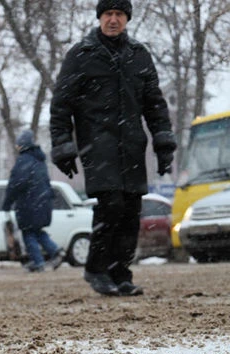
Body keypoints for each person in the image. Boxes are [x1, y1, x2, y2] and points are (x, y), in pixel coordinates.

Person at [50, 0, 176, 296]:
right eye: (108, 14)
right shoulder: (81, 55)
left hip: (132, 146)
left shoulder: (139, 55)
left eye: (119, 14)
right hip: (98, 146)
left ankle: (121, 274)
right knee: (111, 206)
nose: (113, 19)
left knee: (132, 210)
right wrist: (63, 146)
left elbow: (155, 104)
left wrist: (164, 143)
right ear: (99, 18)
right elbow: (61, 105)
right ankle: (97, 269)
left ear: (127, 18)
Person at [3, 129, 63, 273]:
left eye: (18, 144)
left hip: (28, 204)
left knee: (28, 232)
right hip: (43, 202)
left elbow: (16, 184)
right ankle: (55, 251)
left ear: (22, 145)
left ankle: (38, 262)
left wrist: (7, 203)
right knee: (37, 231)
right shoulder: (39, 160)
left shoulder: (23, 161)